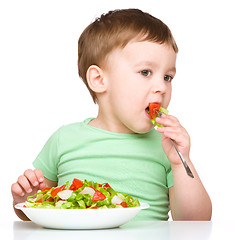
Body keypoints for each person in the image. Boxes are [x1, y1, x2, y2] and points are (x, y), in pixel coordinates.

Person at [11, 8, 212, 221]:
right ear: (99, 79)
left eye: (168, 77)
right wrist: (27, 199)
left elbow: (195, 222)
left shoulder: (166, 147)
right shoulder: (64, 140)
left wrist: (182, 162)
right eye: (145, 72)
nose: (161, 87)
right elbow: (34, 209)